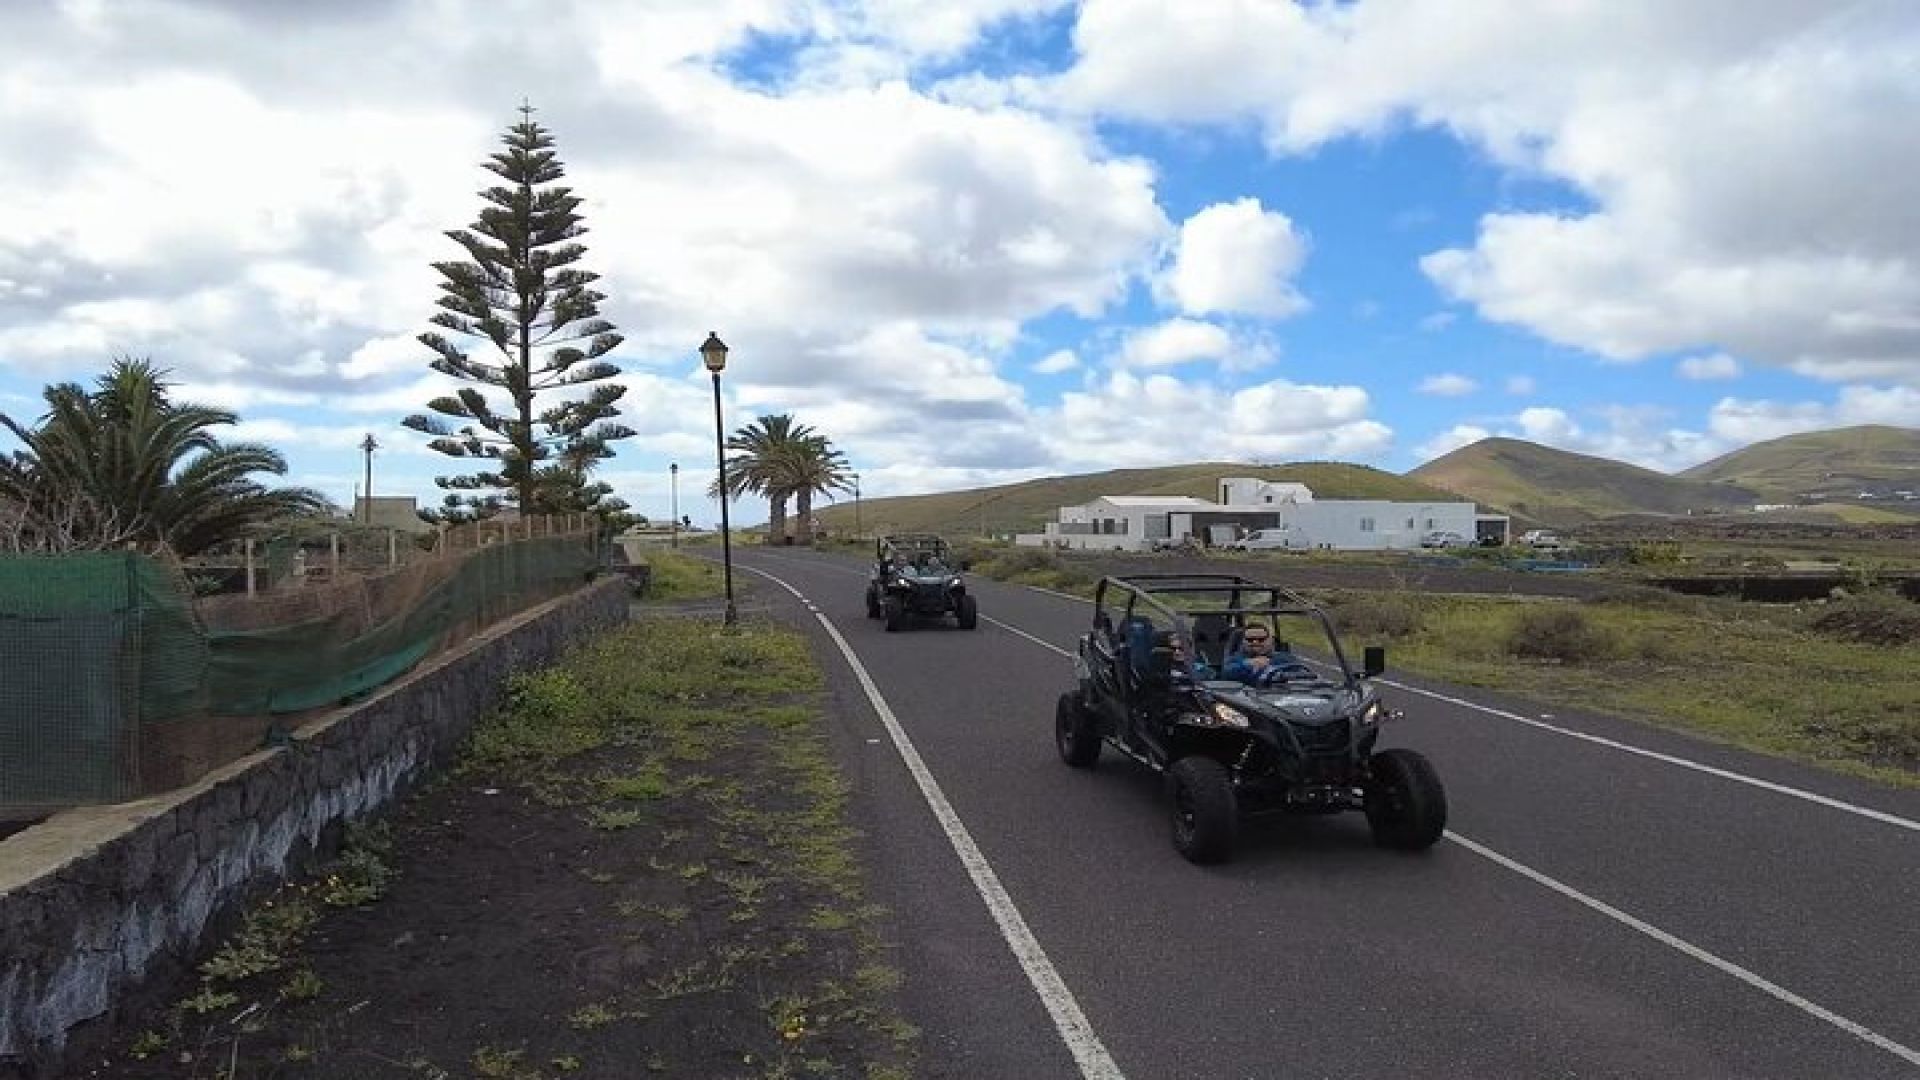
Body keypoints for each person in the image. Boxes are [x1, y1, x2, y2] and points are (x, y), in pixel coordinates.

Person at [1223, 623, 1302, 685]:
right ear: (1243, 641)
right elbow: (1226, 674)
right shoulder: (1234, 660)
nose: (1255, 642)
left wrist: (1269, 665)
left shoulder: (1285, 658)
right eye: (1250, 639)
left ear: (1270, 640)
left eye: (1261, 639)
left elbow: (1302, 673)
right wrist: (1248, 664)